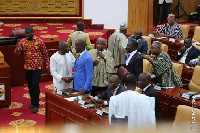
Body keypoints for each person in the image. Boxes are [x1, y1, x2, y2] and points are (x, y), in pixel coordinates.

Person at [14, 26, 50, 114]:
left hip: (37, 67)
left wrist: (47, 66)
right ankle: (32, 101)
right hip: (28, 67)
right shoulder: (23, 41)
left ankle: (36, 104)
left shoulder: (39, 41)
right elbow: (16, 53)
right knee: (30, 85)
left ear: (33, 33)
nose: (27, 35)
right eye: (26, 34)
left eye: (28, 33)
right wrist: (17, 49)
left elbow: (45, 54)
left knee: (35, 84)